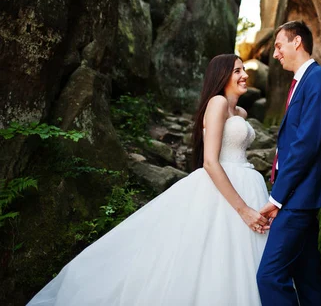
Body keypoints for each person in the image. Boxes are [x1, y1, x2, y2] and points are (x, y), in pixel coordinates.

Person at [29, 54, 270, 306]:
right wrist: (243, 210)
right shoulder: (217, 102)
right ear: (222, 76)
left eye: (244, 70)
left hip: (247, 181)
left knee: (237, 257)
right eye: (237, 71)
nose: (245, 75)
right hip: (223, 186)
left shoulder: (240, 112)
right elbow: (210, 161)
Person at [257, 21, 321, 305]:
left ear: (297, 42)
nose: (275, 54)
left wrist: (277, 198)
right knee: (307, 275)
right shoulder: (305, 81)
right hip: (299, 194)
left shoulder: (319, 80)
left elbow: (306, 145)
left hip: (298, 198)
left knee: (269, 277)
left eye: (279, 46)